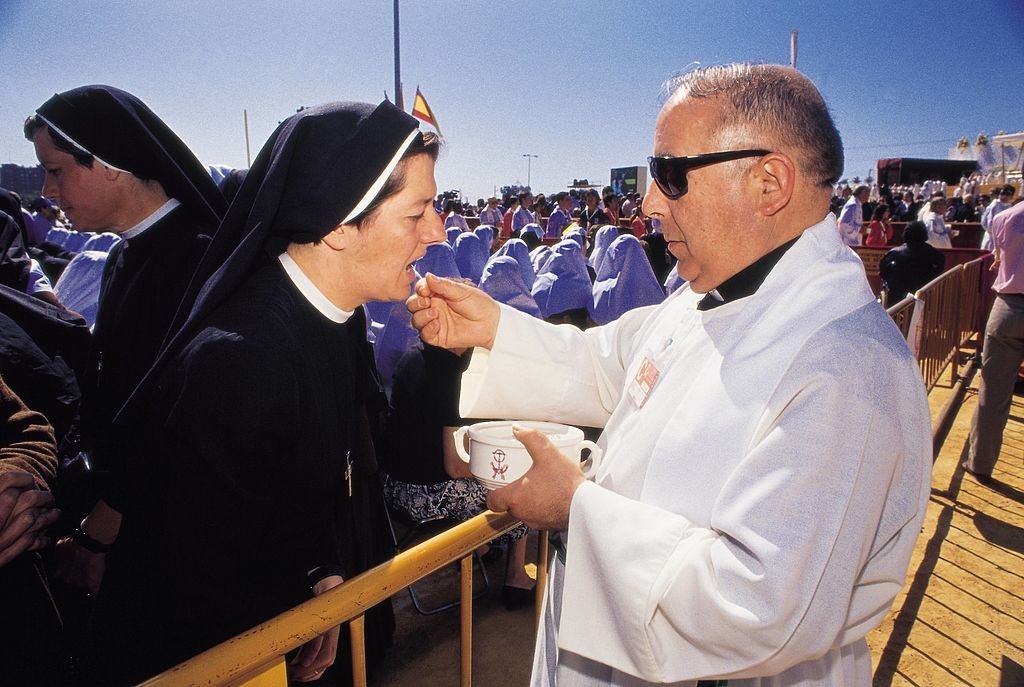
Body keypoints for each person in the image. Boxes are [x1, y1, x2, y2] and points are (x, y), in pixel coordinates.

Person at [408, 63, 931, 686]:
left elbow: (760, 606)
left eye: (670, 174)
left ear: (770, 182)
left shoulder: (847, 368)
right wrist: (492, 328)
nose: (650, 202)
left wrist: (577, 511)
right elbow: (608, 369)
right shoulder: (708, 297)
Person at [91, 101, 440, 685]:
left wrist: (320, 572)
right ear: (337, 225)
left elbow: (294, 488)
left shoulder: (332, 318)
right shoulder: (240, 359)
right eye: (418, 212)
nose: (437, 232)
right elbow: (201, 585)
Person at [24, 86, 227, 599]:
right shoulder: (121, 256)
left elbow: (187, 414)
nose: (48, 191)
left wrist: (105, 524)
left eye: (56, 171)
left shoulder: (199, 259)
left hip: (177, 536)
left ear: (109, 163)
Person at [965, 200, 1024, 483]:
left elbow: (1000, 259)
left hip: (1009, 307)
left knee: (992, 392)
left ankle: (980, 462)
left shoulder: (1004, 218)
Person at [878, 220, 945, 302]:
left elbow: (883, 273)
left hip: (896, 301)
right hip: (924, 300)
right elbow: (939, 271)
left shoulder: (892, 254)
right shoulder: (935, 254)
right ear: (924, 234)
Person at [980, 184, 1015, 250]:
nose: (1004, 196)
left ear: (1011, 196)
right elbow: (988, 224)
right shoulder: (995, 205)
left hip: (1003, 239)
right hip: (992, 238)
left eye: (1007, 194)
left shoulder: (1009, 207)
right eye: (1002, 193)